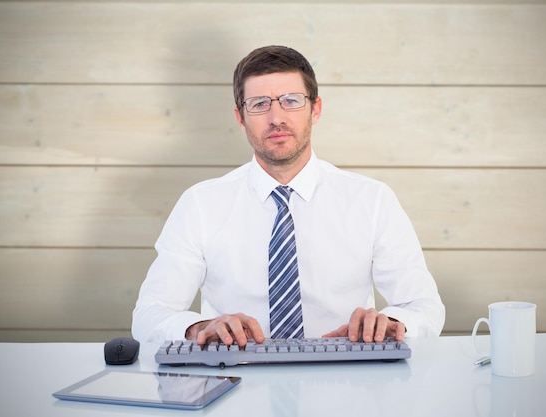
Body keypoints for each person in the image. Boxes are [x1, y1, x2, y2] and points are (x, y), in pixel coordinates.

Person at [132, 45, 445, 347]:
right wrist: (197, 328)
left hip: (347, 379)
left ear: (315, 109)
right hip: (235, 381)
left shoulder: (372, 200)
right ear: (240, 117)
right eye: (259, 104)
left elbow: (423, 306)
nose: (276, 118)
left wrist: (394, 324)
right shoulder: (200, 205)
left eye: (291, 101)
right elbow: (149, 314)